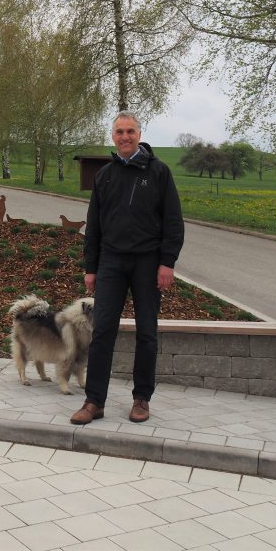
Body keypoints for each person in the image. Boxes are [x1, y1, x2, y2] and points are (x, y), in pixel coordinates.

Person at [71, 111, 184, 425]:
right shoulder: (105, 175)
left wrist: (167, 263)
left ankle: (141, 399)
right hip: (111, 263)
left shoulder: (159, 172)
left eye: (130, 131)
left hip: (148, 263)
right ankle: (94, 401)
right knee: (102, 331)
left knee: (147, 332)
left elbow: (174, 223)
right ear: (113, 137)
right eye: (119, 132)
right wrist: (91, 267)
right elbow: (93, 226)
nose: (125, 136)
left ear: (139, 134)